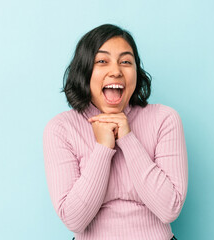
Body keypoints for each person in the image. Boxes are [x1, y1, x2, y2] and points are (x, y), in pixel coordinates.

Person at [43, 24, 188, 240]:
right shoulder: (61, 128)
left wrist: (128, 139)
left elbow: (169, 209)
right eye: (102, 61)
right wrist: (103, 148)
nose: (116, 71)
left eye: (126, 62)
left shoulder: (164, 119)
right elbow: (74, 220)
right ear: (85, 71)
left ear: (136, 73)